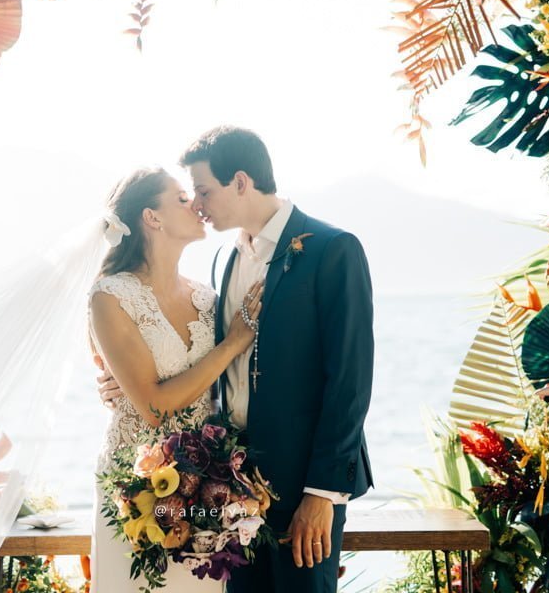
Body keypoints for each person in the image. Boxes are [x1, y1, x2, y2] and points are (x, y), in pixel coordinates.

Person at [96, 127, 375, 593]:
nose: (198, 204)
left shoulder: (332, 249)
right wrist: (122, 386)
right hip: (227, 489)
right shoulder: (224, 262)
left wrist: (323, 494)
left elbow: (350, 381)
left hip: (303, 488)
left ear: (241, 182)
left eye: (204, 190)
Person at [88, 167, 265, 592]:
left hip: (205, 487)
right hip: (134, 489)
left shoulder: (207, 298)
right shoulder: (110, 296)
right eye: (183, 199)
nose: (198, 206)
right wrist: (232, 344)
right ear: (152, 218)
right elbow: (153, 409)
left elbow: (225, 387)